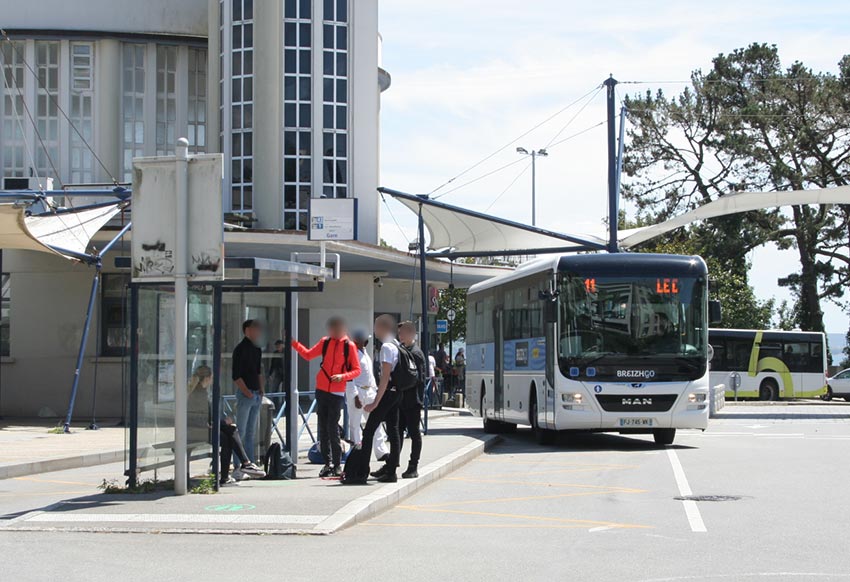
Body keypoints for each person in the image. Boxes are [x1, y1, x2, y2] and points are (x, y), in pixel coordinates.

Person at [291, 316, 361, 477]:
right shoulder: (326, 342)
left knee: (332, 428)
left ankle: (337, 464)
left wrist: (342, 376)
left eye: (337, 328)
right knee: (322, 429)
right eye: (332, 328)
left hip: (337, 391)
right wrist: (294, 343)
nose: (333, 331)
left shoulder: (348, 346)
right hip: (321, 389)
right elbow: (308, 355)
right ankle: (327, 463)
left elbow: (356, 370)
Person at [189, 365, 265, 485]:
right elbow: (199, 418)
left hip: (202, 428)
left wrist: (221, 422)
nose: (213, 380)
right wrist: (222, 422)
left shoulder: (201, 392)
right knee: (228, 435)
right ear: (207, 378)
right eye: (212, 377)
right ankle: (244, 464)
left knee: (230, 432)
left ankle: (242, 466)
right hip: (197, 431)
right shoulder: (199, 394)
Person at [361, 314, 404, 483]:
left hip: (388, 392)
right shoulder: (397, 345)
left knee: (369, 430)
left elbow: (385, 376)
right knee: (393, 430)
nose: (374, 330)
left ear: (384, 328)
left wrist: (375, 402)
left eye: (376, 327)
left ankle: (362, 469)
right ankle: (391, 470)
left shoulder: (387, 347)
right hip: (397, 392)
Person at [346, 329, 389, 462]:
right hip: (358, 391)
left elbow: (369, 375)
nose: (367, 341)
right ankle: (357, 452)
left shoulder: (365, 353)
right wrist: (354, 395)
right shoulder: (351, 355)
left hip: (369, 390)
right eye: (365, 339)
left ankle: (381, 452)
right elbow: (349, 378)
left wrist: (375, 393)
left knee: (375, 422)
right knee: (355, 423)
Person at [393, 321, 425, 479]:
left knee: (414, 433)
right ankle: (392, 464)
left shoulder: (416, 353)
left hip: (412, 400)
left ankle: (413, 466)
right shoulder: (403, 350)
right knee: (397, 432)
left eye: (403, 333)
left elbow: (418, 379)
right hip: (401, 399)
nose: (400, 336)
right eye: (399, 334)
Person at [232, 319, 265, 464]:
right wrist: (247, 392)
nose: (258, 331)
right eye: (255, 328)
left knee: (251, 432)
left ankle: (250, 462)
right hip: (246, 395)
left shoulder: (257, 350)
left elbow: (258, 372)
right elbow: (236, 376)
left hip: (256, 394)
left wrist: (261, 389)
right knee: (240, 431)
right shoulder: (240, 349)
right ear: (247, 330)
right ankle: (238, 464)